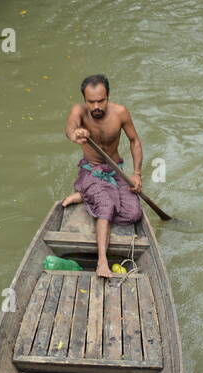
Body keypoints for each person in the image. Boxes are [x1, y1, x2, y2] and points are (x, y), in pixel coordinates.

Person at [61, 74, 144, 278]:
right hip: (91, 170)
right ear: (84, 100)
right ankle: (102, 262)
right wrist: (75, 134)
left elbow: (135, 141)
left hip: (116, 171)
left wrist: (136, 174)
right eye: (91, 102)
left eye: (101, 100)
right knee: (106, 205)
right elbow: (70, 128)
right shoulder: (79, 111)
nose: (96, 106)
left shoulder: (120, 113)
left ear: (108, 96)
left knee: (134, 213)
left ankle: (83, 196)